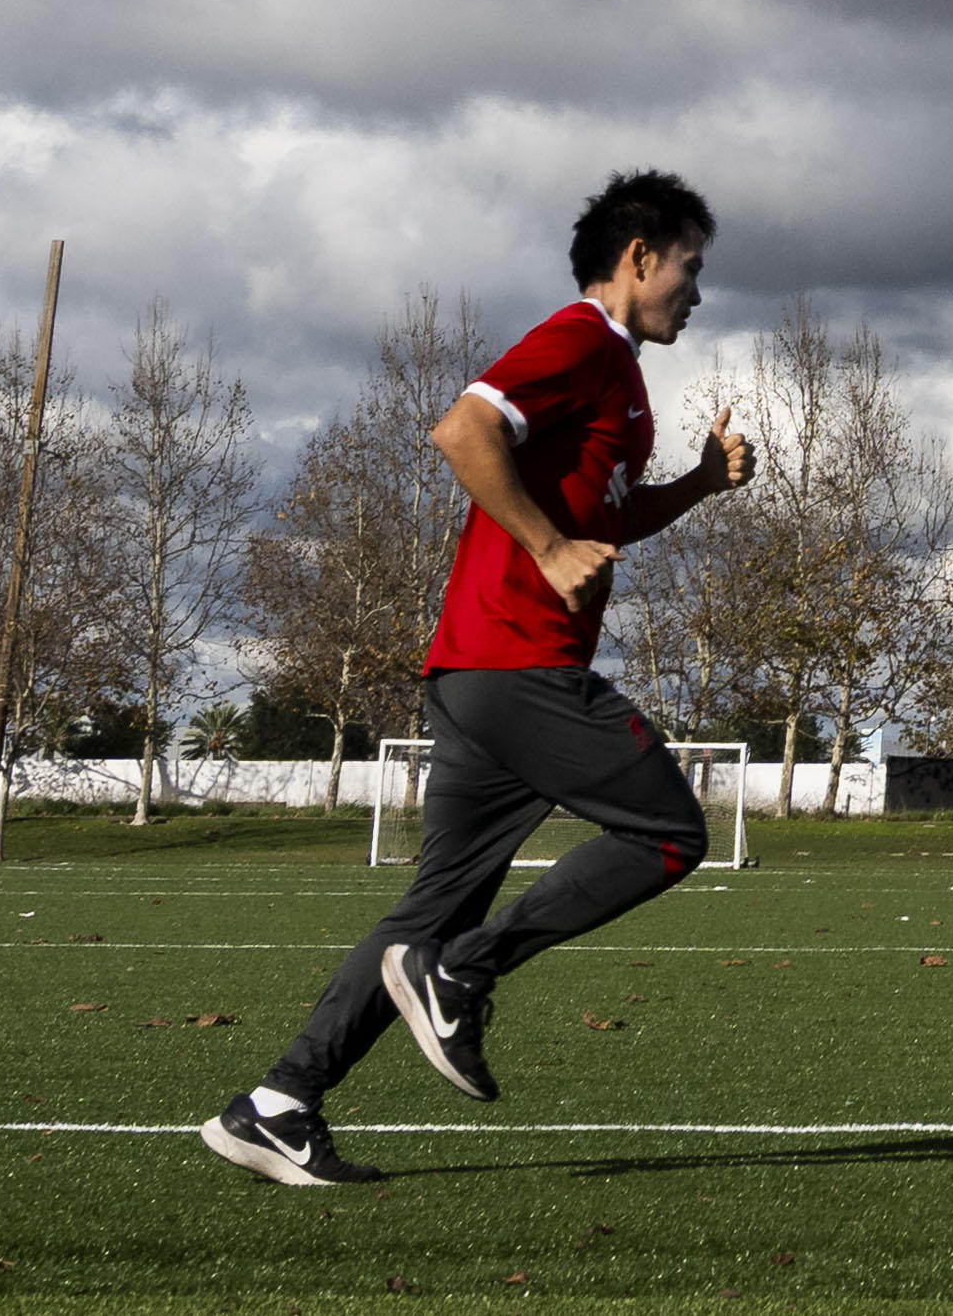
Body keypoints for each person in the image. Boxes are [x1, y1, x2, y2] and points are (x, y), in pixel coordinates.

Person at [205, 169, 755, 1187]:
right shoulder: (582, 339)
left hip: (476, 672)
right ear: (638, 257)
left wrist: (697, 487)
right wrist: (544, 548)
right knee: (670, 833)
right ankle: (464, 972)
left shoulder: (622, 374)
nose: (697, 290)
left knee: (424, 917)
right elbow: (462, 429)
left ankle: (278, 1102)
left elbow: (608, 518)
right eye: (690, 266)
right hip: (519, 662)